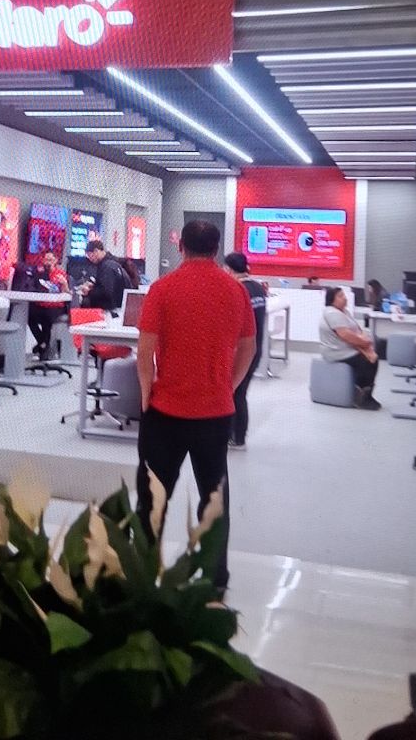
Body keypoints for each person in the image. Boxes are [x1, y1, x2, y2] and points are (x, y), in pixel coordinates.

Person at [135, 220, 256, 592]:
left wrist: (146, 395)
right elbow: (249, 347)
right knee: (214, 497)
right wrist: (228, 388)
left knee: (153, 497)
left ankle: (142, 572)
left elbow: (145, 351)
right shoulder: (236, 291)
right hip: (215, 414)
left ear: (181, 246)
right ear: (216, 249)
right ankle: (215, 578)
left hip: (165, 412)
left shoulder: (162, 288)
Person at [224, 252, 267, 449]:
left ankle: (236, 436)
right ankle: (237, 435)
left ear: (229, 269)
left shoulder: (237, 289)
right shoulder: (257, 288)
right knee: (240, 392)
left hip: (240, 351)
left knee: (235, 394)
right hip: (255, 348)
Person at [320, 287, 381, 409]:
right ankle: (361, 397)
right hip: (336, 351)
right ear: (332, 300)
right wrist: (365, 344)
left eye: (344, 295)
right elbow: (345, 335)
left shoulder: (344, 312)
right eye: (340, 296)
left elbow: (356, 329)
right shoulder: (332, 313)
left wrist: (364, 340)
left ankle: (366, 394)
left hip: (346, 347)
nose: (345, 298)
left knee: (373, 359)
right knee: (366, 362)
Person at [28, 250, 70, 359]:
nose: (48, 262)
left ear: (56, 261)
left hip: (56, 306)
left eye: (50, 260)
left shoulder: (60, 274)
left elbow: (67, 293)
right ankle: (42, 342)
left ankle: (44, 347)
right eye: (46, 260)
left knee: (46, 318)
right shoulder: (39, 274)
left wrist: (64, 284)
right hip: (41, 304)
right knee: (30, 316)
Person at [79, 239, 130, 311]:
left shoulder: (107, 267)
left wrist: (89, 292)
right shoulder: (113, 263)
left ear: (96, 251)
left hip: (111, 309)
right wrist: (94, 286)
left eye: (90, 255)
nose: (90, 259)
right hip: (119, 306)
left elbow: (106, 291)